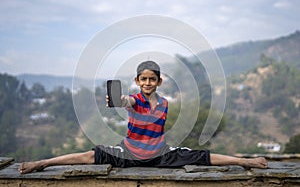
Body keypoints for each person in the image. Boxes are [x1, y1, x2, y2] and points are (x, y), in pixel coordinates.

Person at [19, 61, 268, 174]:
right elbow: (128, 102)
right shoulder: (134, 100)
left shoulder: (164, 104)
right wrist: (117, 101)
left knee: (202, 156)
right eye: (143, 79)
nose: (147, 82)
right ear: (137, 82)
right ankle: (41, 163)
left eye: (152, 79)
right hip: (128, 153)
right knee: (89, 155)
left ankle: (247, 162)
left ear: (158, 82)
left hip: (160, 154)